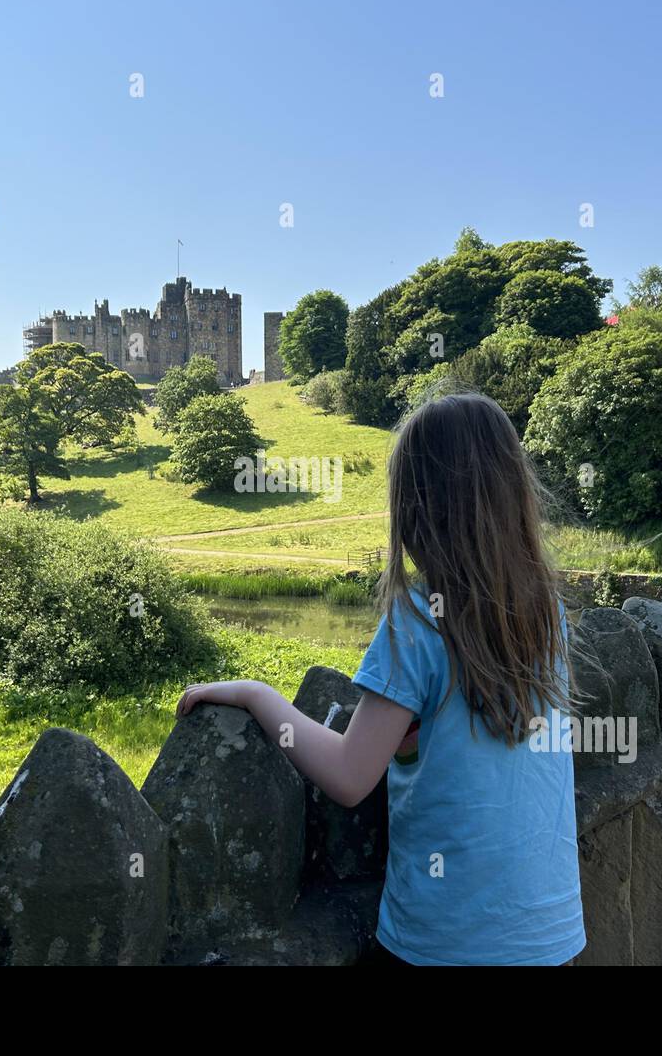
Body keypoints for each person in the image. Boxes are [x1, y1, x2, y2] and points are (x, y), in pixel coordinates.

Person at [176, 391, 585, 966]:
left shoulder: (417, 620)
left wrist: (255, 694)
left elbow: (348, 777)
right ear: (513, 495)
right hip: (552, 933)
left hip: (446, 943)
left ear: (417, 507)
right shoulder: (547, 612)